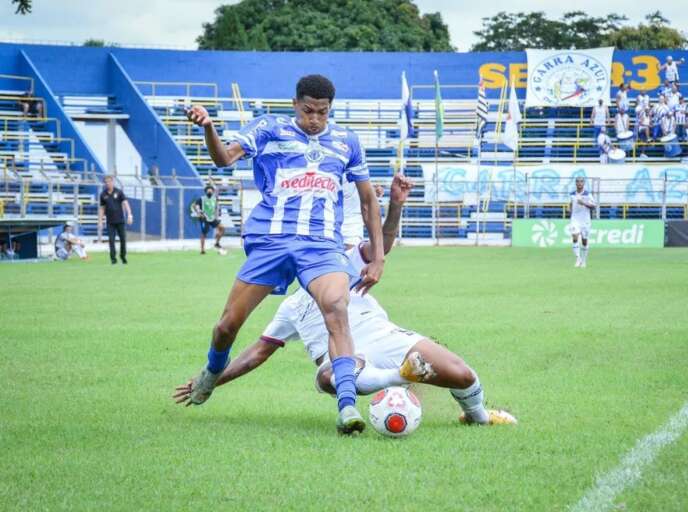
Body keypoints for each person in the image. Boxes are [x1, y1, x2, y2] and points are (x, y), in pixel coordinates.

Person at [173, 174, 516, 426]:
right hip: (345, 361)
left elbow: (384, 243)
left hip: (385, 336)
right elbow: (254, 355)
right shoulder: (290, 307)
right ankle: (399, 376)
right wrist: (210, 380)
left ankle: (478, 417)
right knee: (329, 378)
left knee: (462, 373)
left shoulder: (343, 262)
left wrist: (395, 205)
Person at [183, 74, 385, 435]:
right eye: (308, 111)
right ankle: (212, 371)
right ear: (295, 104)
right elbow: (223, 159)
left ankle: (347, 406)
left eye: (323, 112)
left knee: (337, 310)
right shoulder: (268, 128)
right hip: (272, 242)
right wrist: (209, 128)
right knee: (227, 325)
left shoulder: (346, 141)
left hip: (322, 246)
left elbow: (368, 200)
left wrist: (379, 257)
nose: (315, 119)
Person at [98, 175, 133, 265]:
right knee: (111, 240)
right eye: (106, 182)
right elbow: (102, 208)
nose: (107, 184)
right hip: (110, 222)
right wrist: (100, 221)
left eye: (109, 182)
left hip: (120, 221)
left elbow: (125, 203)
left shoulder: (119, 192)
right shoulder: (103, 194)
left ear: (112, 182)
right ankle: (113, 259)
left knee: (123, 239)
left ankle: (123, 256)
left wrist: (129, 215)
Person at [567, 177, 596, 268]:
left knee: (584, 241)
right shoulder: (572, 194)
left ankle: (583, 261)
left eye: (581, 182)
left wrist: (583, 203)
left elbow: (593, 206)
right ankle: (578, 258)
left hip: (585, 220)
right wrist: (569, 208)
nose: (579, 183)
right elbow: (571, 203)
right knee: (575, 237)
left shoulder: (588, 194)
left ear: (584, 183)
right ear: (576, 183)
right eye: (578, 182)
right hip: (575, 219)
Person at [191, 184, 225, 255]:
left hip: (212, 218)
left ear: (213, 191)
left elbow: (215, 208)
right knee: (204, 233)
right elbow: (194, 205)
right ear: (206, 192)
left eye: (211, 190)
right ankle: (202, 250)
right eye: (208, 191)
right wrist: (199, 213)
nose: (210, 192)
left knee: (222, 228)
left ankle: (217, 243)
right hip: (204, 218)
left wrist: (217, 214)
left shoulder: (214, 199)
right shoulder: (202, 199)